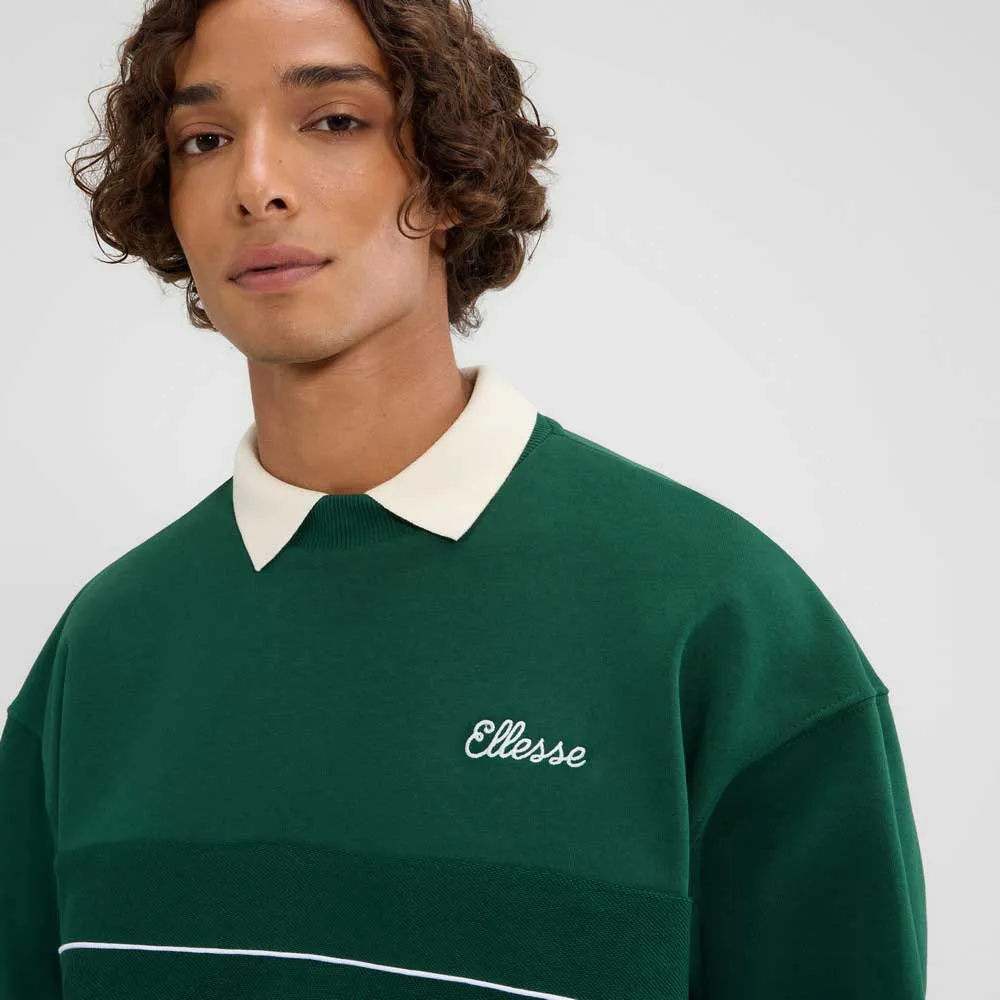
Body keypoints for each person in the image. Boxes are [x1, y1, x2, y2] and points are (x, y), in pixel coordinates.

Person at [1, 1, 927, 997]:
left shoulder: (721, 625)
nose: (256, 183)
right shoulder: (103, 650)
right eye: (205, 139)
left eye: (335, 121)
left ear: (447, 173)